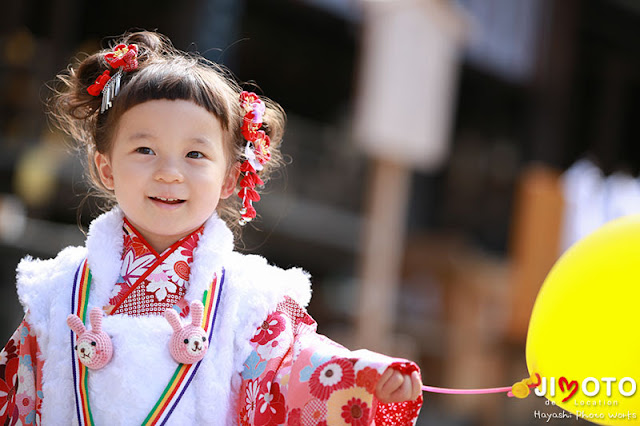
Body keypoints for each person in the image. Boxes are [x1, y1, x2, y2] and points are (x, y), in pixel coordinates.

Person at [0, 31, 423, 425]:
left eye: (195, 155)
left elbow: (296, 372)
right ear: (105, 167)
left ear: (231, 179)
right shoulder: (57, 290)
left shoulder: (252, 300)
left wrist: (360, 379)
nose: (169, 173)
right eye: (144, 149)